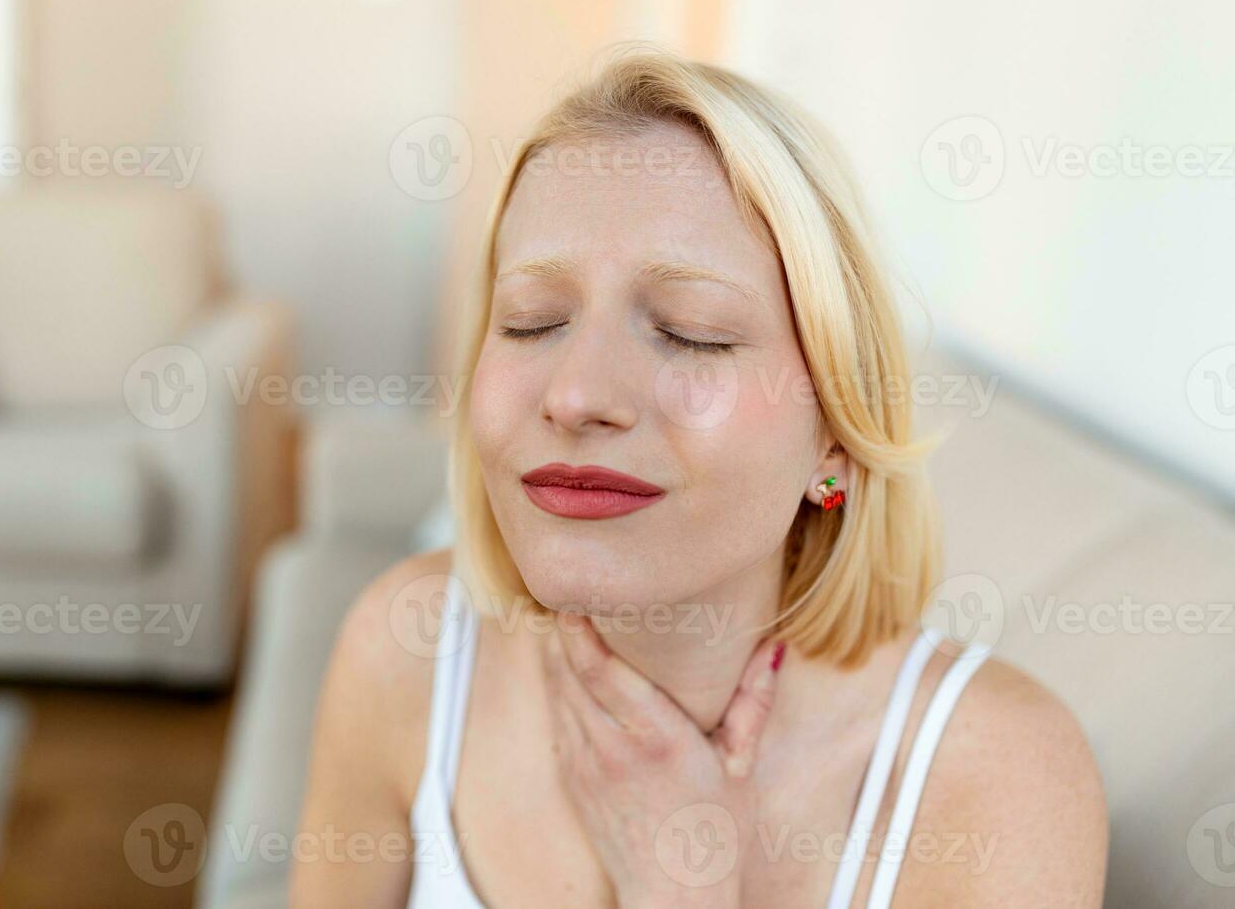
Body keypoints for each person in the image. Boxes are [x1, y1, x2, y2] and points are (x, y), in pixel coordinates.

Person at [290, 49, 1107, 907]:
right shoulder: (405, 652)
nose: (575, 396)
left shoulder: (1002, 780)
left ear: (832, 434)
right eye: (532, 322)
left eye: (691, 333)